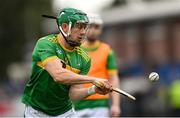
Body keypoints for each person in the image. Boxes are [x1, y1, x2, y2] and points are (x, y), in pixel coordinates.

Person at [21, 8, 112, 117]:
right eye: (79, 27)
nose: (83, 32)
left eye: (84, 27)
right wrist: (93, 79)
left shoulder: (84, 59)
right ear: (64, 27)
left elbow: (73, 95)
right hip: (36, 111)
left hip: (64, 112)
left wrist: (93, 90)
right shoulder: (46, 44)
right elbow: (58, 75)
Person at [74, 13, 121, 117]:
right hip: (77, 103)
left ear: (101, 30)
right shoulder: (75, 49)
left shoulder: (107, 50)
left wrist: (116, 105)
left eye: (97, 27)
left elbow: (114, 78)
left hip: (100, 104)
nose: (93, 30)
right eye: (90, 26)